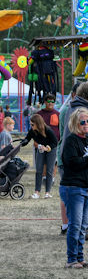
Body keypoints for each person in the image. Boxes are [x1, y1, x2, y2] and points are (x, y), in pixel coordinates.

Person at [58, 83, 88, 234]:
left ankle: (70, 227)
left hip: (67, 156)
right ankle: (75, 229)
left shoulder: (69, 107)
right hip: (75, 158)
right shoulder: (81, 111)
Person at [60, 107, 88, 268]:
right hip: (73, 187)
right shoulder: (71, 140)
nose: (86, 124)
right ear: (76, 123)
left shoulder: (86, 140)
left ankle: (80, 257)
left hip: (85, 187)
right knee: (75, 225)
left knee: (83, 226)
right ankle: (71, 259)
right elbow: (72, 163)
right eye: (82, 121)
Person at [26, 114, 58, 199]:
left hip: (51, 149)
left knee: (49, 170)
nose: (31, 126)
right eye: (30, 124)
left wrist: (47, 148)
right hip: (41, 150)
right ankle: (37, 192)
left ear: (38, 123)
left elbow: (55, 142)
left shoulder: (48, 130)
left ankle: (47, 192)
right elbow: (27, 139)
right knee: (38, 170)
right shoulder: (32, 131)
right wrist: (20, 144)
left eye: (32, 124)